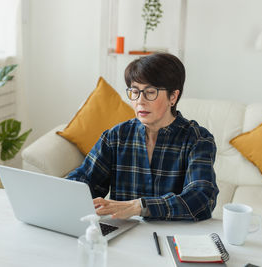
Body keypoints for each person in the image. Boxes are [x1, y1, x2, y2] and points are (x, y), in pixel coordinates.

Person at [67, 52, 219, 221]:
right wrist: (63, 191)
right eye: (134, 92)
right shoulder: (116, 137)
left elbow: (202, 199)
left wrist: (139, 207)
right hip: (122, 233)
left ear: (173, 97)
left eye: (150, 92)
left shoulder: (197, 139)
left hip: (172, 235)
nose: (140, 101)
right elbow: (85, 180)